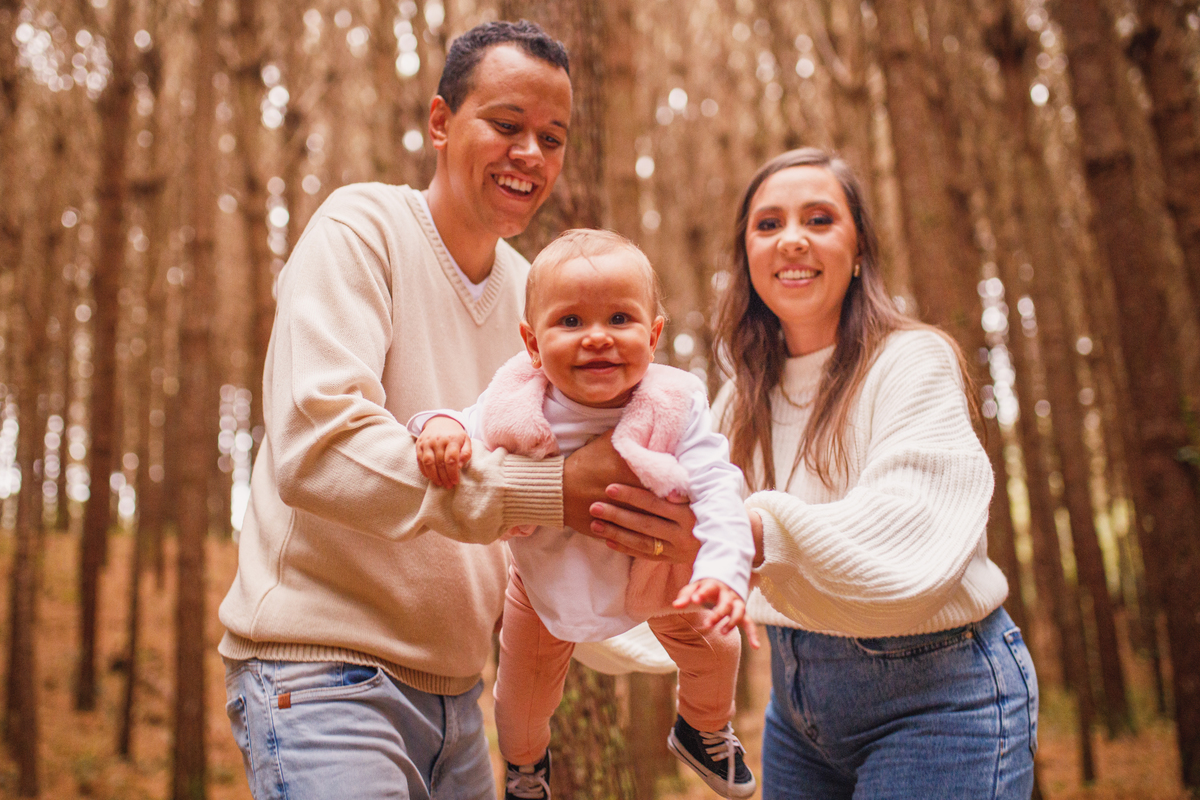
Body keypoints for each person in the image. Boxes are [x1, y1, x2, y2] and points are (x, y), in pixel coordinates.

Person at [218, 21, 695, 800]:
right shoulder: (360, 228)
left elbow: (556, 527)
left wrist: (676, 603)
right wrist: (551, 489)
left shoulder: (540, 301)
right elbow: (318, 447)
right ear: (441, 123)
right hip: (323, 679)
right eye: (506, 125)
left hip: (459, 702)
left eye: (552, 136)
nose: (531, 155)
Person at [596, 147, 1038, 799]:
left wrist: (751, 532)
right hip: (798, 710)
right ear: (747, 256)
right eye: (768, 225)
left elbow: (913, 523)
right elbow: (674, 546)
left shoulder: (913, 362)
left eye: (820, 219)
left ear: (859, 251)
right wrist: (554, 581)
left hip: (940, 700)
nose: (792, 241)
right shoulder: (735, 401)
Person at [410, 229, 758, 800]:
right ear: (532, 342)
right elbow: (456, 419)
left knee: (719, 647)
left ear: (653, 334)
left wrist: (722, 566)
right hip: (544, 582)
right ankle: (525, 768)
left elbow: (718, 484)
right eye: (570, 322)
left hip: (653, 570)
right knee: (522, 701)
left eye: (619, 319)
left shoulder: (673, 403)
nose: (597, 338)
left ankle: (702, 728)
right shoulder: (519, 401)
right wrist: (437, 428)